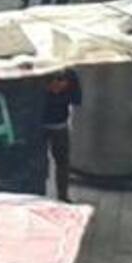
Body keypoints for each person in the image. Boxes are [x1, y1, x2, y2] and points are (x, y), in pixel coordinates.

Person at [43, 70, 81, 202]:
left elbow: (77, 98)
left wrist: (65, 89)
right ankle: (58, 196)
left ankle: (62, 196)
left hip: (58, 124)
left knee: (62, 162)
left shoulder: (70, 74)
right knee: (42, 162)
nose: (55, 84)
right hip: (44, 124)